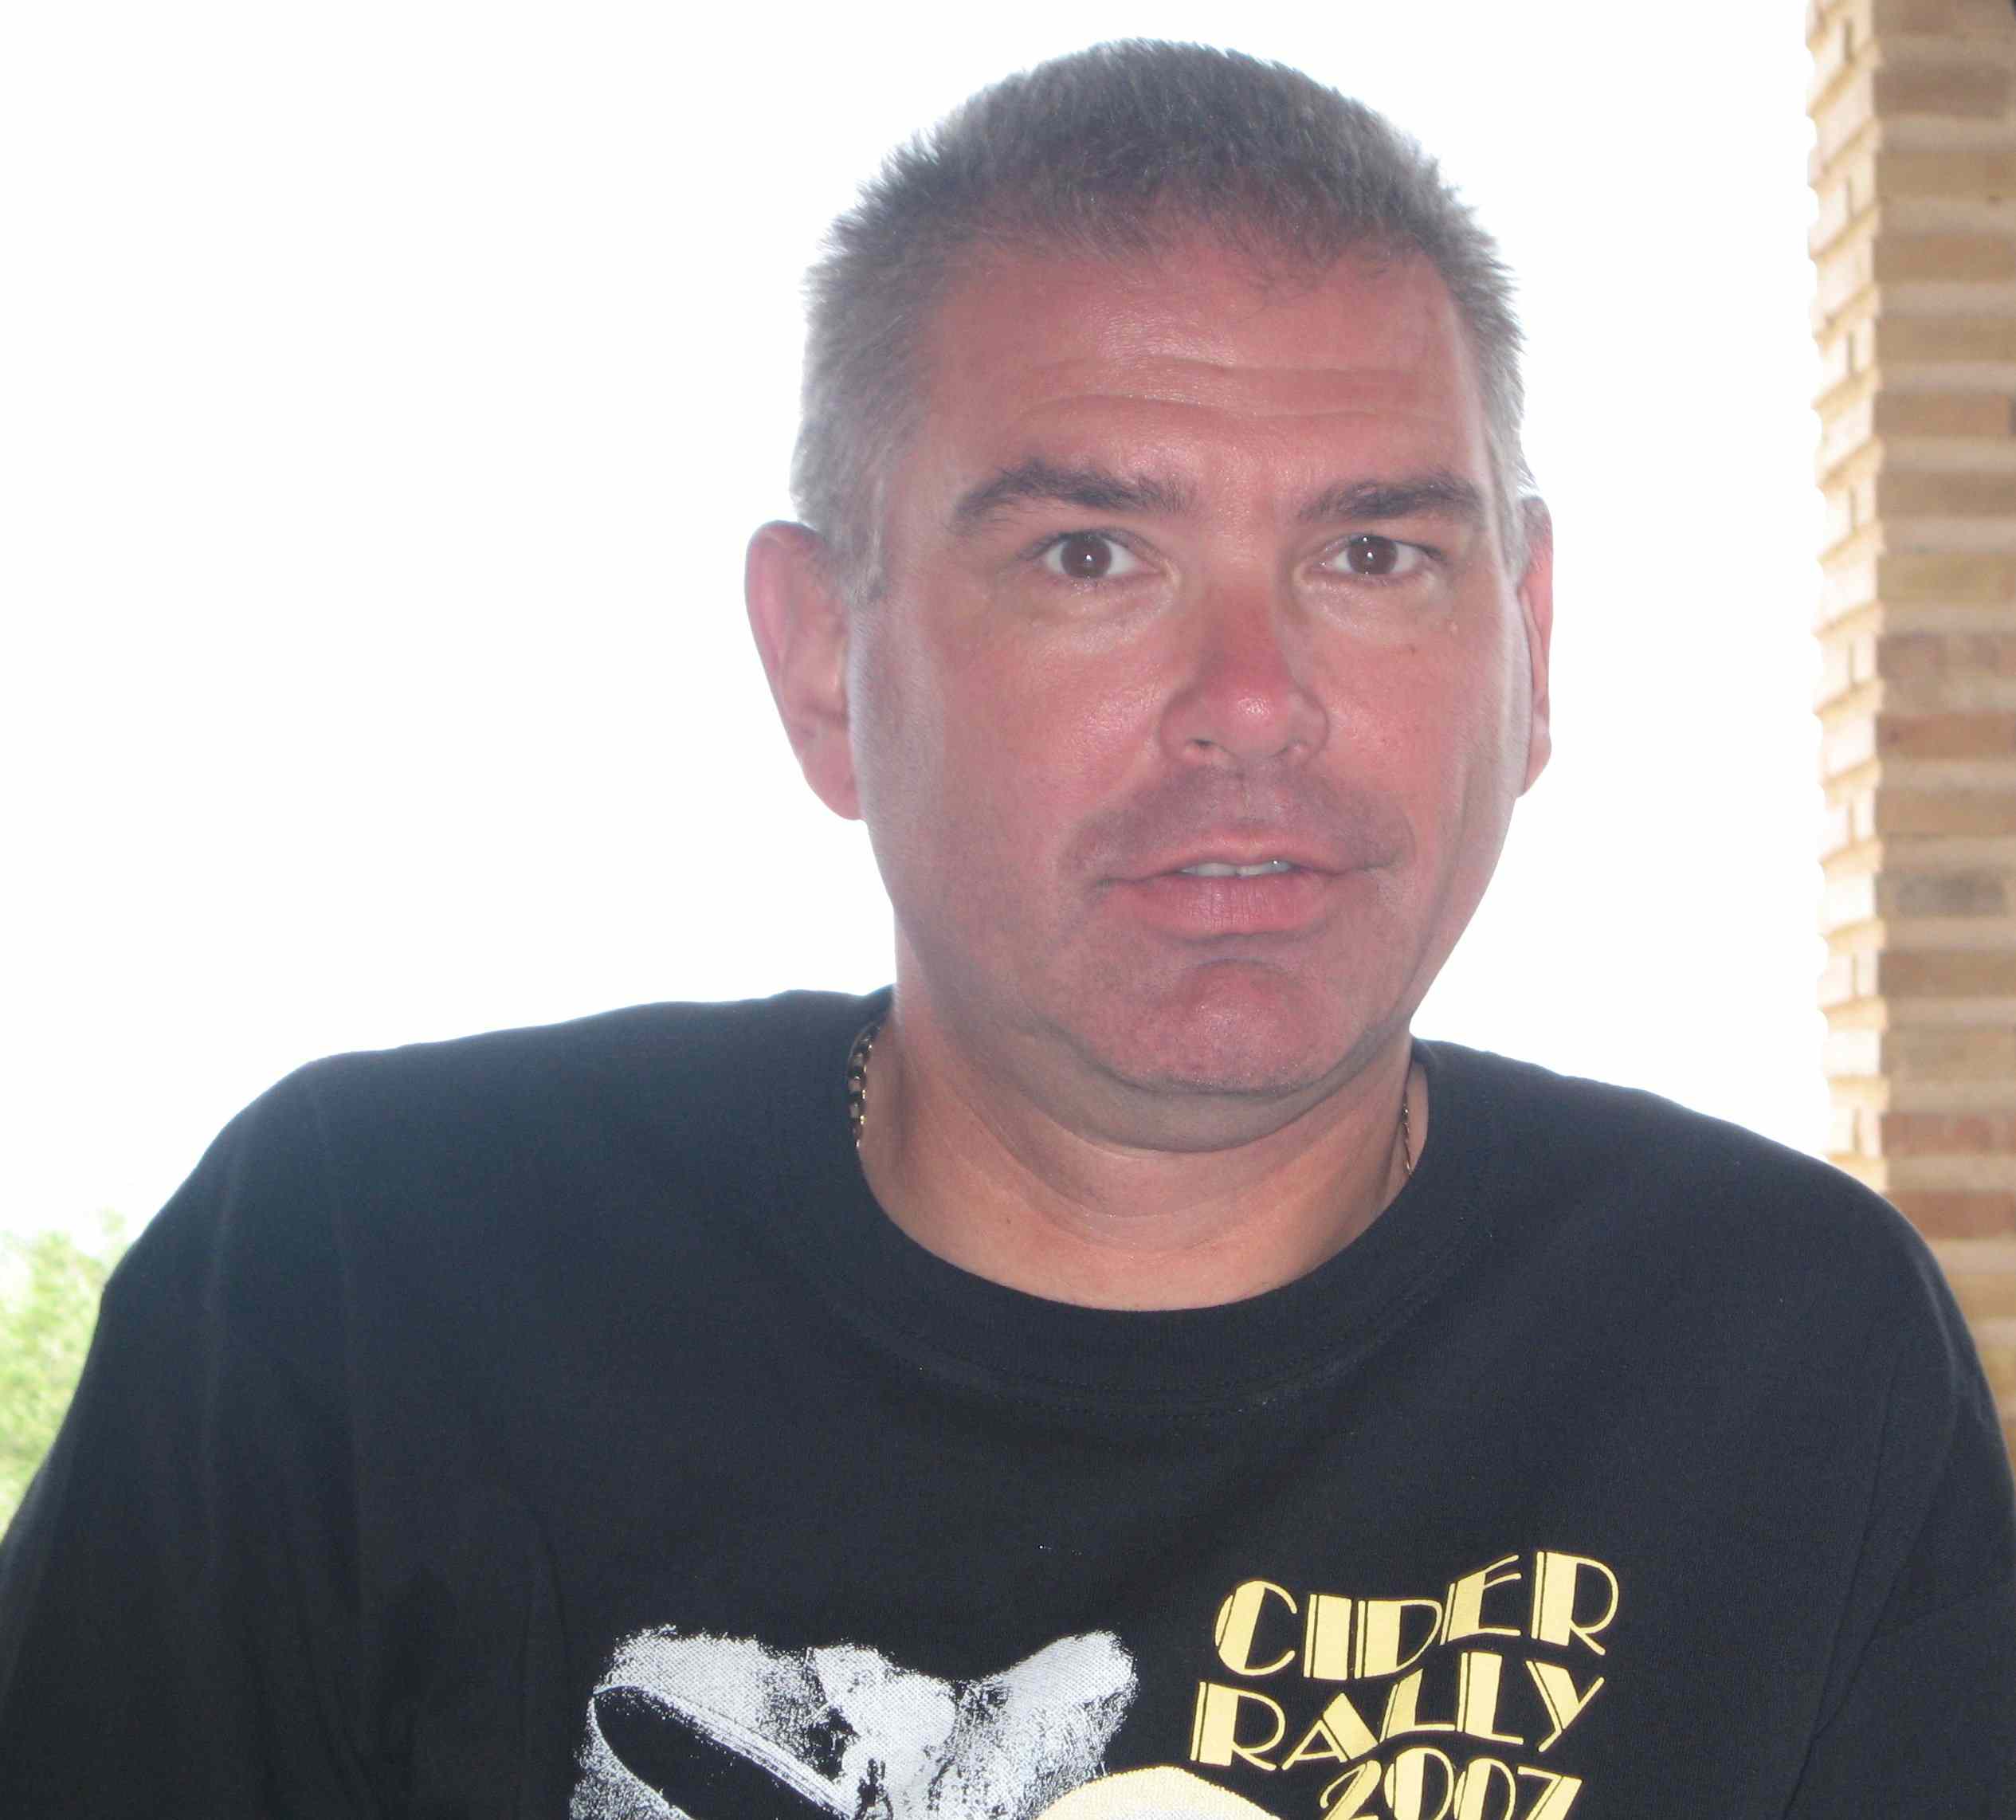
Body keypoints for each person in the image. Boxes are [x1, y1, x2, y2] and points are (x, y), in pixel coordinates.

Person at [2, 39, 2011, 1820]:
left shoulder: (1781, 1361)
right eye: (1089, 554)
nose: (1252, 699)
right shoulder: (365, 1289)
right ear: (821, 661)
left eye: (1373, 550)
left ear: (1529, 644)